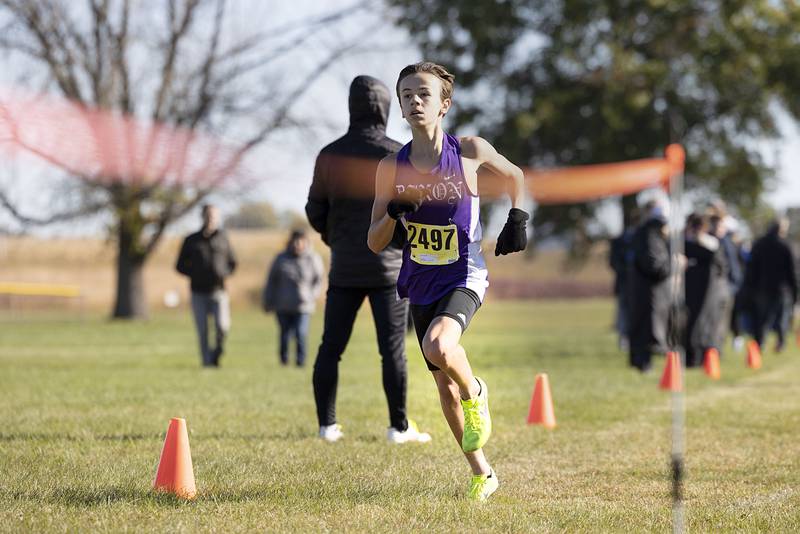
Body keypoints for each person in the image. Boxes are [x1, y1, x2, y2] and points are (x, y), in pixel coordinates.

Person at [367, 61, 528, 501]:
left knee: (439, 347)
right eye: (406, 95)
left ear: (444, 104)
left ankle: (477, 390)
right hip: (420, 280)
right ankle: (482, 472)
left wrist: (518, 217)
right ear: (399, 107)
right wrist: (395, 213)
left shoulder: (470, 150)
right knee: (442, 383)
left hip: (465, 273)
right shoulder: (390, 167)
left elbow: (516, 176)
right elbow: (375, 241)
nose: (414, 101)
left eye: (424, 94)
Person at [305, 75, 431, 444]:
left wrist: (336, 238)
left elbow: (315, 210)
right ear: (385, 107)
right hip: (388, 270)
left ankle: (327, 426)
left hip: (344, 266)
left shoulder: (329, 155)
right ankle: (398, 427)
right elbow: (415, 213)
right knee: (391, 349)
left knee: (331, 346)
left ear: (351, 105)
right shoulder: (397, 154)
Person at [176, 204, 237, 367]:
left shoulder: (223, 238)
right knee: (203, 330)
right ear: (202, 216)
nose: (211, 219)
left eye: (214, 216)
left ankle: (217, 352)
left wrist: (223, 273)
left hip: (219, 291)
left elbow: (233, 262)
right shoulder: (191, 240)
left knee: (222, 326)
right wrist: (195, 273)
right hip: (198, 292)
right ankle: (206, 362)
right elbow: (179, 265)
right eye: (208, 215)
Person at [262, 229, 323, 367]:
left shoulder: (312, 258)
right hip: (283, 304)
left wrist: (311, 296)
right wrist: (268, 300)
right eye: (295, 241)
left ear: (306, 242)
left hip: (303, 306)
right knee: (285, 334)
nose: (297, 244)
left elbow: (318, 280)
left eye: (300, 241)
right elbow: (271, 281)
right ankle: (284, 360)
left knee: (300, 333)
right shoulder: (280, 258)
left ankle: (300, 361)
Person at [627, 199, 672, 373]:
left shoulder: (646, 234)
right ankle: (642, 364)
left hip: (650, 293)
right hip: (649, 293)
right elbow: (654, 266)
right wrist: (673, 265)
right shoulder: (649, 235)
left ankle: (644, 363)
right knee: (645, 330)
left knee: (645, 329)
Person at [742, 217, 797, 352]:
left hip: (762, 287)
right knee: (781, 317)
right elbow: (792, 270)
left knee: (763, 317)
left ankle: (760, 343)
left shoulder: (759, 244)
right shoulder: (785, 245)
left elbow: (751, 267)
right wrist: (795, 289)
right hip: (781, 288)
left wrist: (750, 285)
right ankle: (780, 343)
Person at [683, 213, 728, 367]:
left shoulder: (708, 244)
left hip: (706, 291)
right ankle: (698, 356)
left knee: (700, 324)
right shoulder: (710, 244)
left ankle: (699, 357)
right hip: (706, 291)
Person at [609, 212, 638, 351]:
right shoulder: (618, 241)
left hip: (638, 283)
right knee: (624, 313)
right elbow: (613, 262)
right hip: (624, 283)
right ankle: (624, 340)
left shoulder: (641, 239)